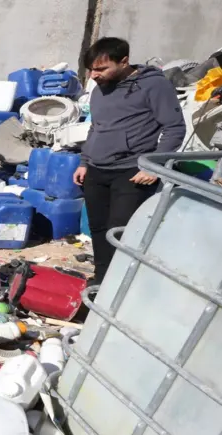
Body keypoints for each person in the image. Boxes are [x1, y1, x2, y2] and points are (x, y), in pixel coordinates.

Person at [73, 38, 185, 284]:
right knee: (98, 229)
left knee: (119, 232)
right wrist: (84, 161)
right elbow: (96, 127)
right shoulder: (100, 89)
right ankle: (101, 281)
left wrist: (154, 166)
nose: (93, 75)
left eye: (101, 69)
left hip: (131, 172)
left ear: (124, 62)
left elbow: (174, 128)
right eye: (91, 69)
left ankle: (120, 286)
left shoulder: (154, 85)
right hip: (96, 170)